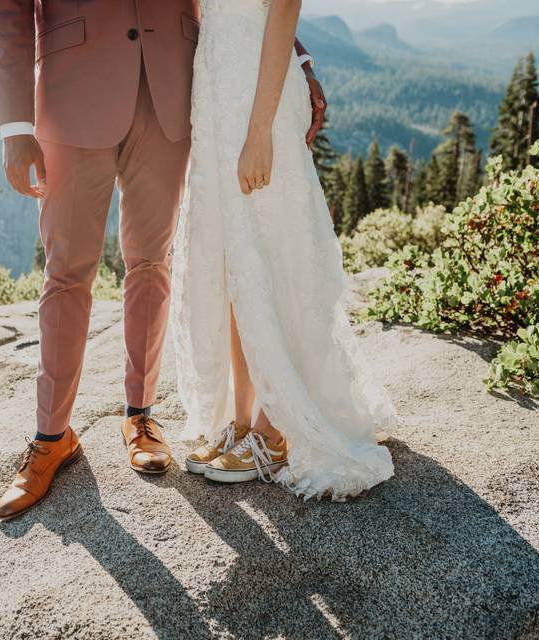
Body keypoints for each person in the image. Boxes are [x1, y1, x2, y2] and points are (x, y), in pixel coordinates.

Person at [0, 0, 327, 519]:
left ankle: (140, 417)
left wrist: (296, 59)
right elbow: (5, 9)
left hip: (172, 94)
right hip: (72, 96)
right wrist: (14, 127)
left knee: (150, 262)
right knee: (67, 273)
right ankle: (51, 436)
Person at [173, 0, 397, 500]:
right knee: (233, 259)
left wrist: (259, 131)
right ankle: (242, 417)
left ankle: (273, 431)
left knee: (271, 249)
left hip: (258, 96)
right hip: (213, 83)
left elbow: (284, 9)